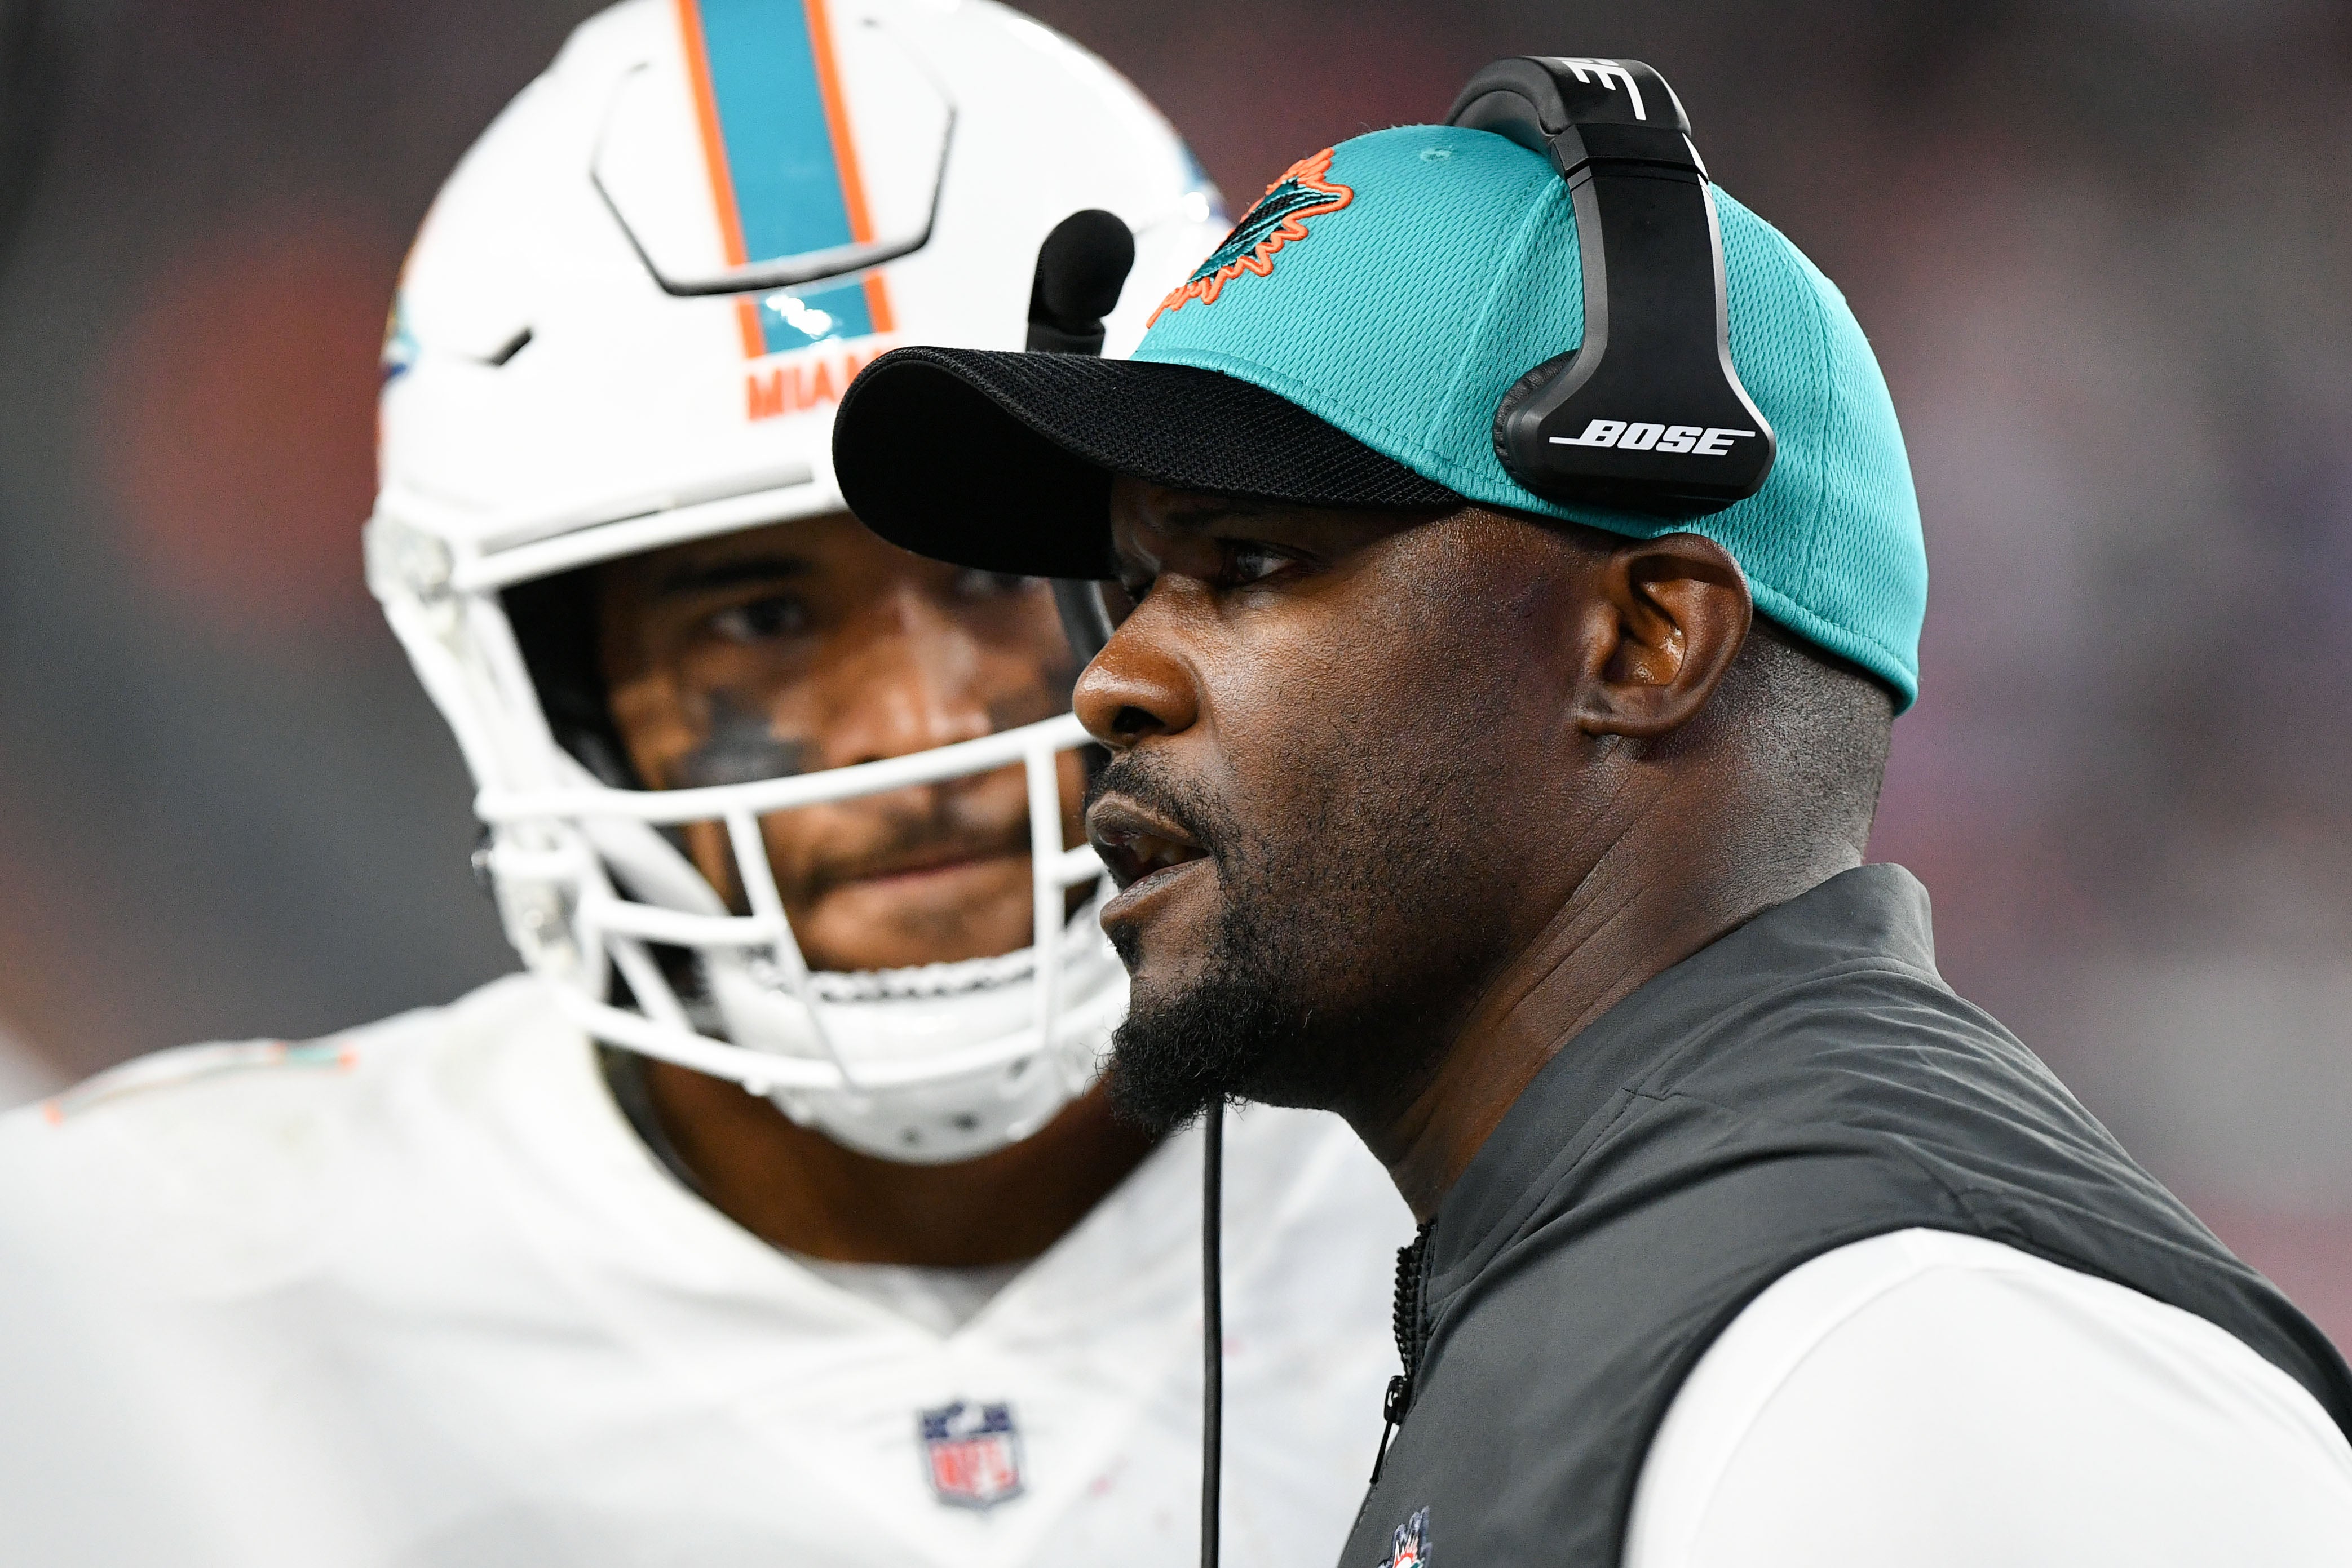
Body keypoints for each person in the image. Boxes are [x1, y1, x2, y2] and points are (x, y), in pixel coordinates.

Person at [830, 63, 2352, 1568]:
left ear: (1641, 644)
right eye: (1125, 586)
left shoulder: (1917, 1354)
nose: (1108, 680)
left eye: (1246, 565)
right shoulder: (1682, 1287)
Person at [0, 3, 1410, 1563]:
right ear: (546, 679)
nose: (916, 729)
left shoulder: (1521, 1184)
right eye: (760, 618)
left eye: (998, 574)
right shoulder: (136, 1280)